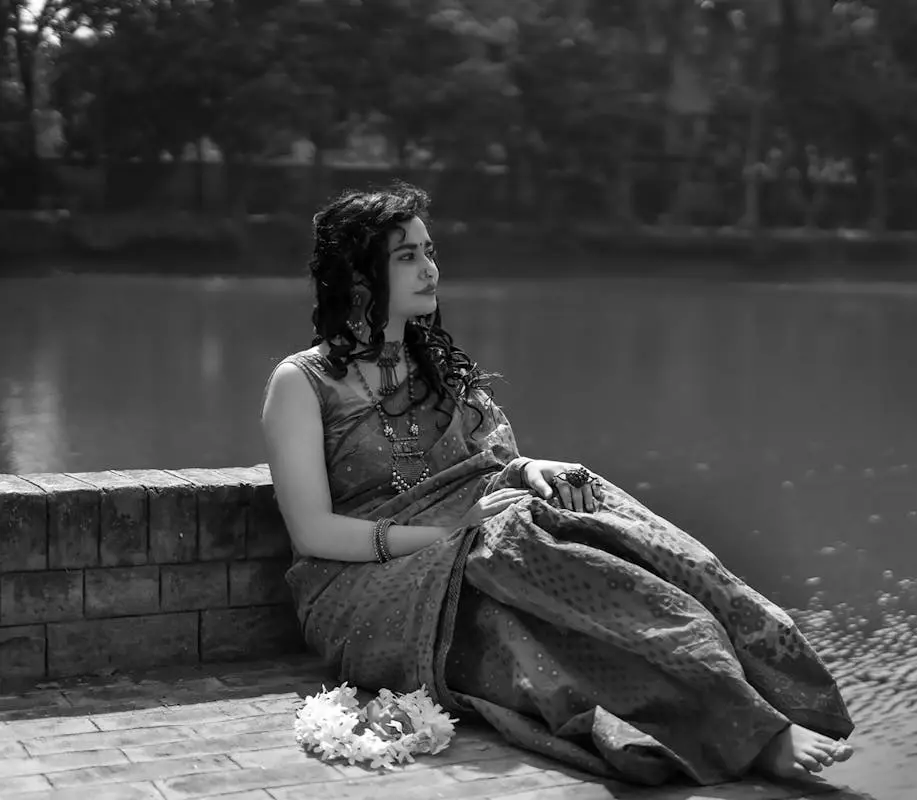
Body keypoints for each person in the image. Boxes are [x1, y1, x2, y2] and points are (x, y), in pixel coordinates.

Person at [260, 183, 855, 786]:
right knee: (514, 537)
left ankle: (742, 688)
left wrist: (532, 471)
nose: (429, 268)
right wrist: (443, 534)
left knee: (569, 523)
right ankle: (743, 723)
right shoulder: (302, 383)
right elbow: (313, 533)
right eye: (406, 256)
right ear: (358, 276)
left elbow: (493, 468)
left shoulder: (437, 372)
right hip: (358, 587)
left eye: (429, 250)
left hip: (470, 553)